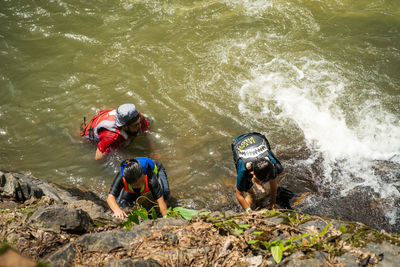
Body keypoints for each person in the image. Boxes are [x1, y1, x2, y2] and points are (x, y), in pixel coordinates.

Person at [80, 103, 159, 160]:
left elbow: (147, 130)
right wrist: (133, 157)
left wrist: (153, 151)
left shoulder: (136, 116)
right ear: (124, 127)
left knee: (149, 122)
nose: (140, 126)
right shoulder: (112, 137)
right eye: (136, 125)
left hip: (103, 117)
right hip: (91, 133)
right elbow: (98, 157)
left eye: (139, 123)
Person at [231, 132, 284, 212]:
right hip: (238, 143)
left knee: (279, 171)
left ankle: (258, 181)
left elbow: (274, 186)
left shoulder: (271, 163)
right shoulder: (243, 170)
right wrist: (249, 211)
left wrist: (272, 203)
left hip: (257, 137)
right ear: (252, 173)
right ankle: (251, 189)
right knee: (248, 189)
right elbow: (239, 195)